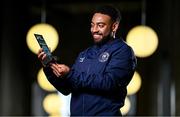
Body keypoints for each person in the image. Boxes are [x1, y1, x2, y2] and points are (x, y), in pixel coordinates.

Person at [38, 5, 137, 116]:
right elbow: (67, 89)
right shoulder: (85, 54)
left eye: (100, 25)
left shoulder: (123, 51)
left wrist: (71, 74)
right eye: (92, 25)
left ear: (114, 26)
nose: (94, 30)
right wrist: (49, 67)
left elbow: (109, 83)